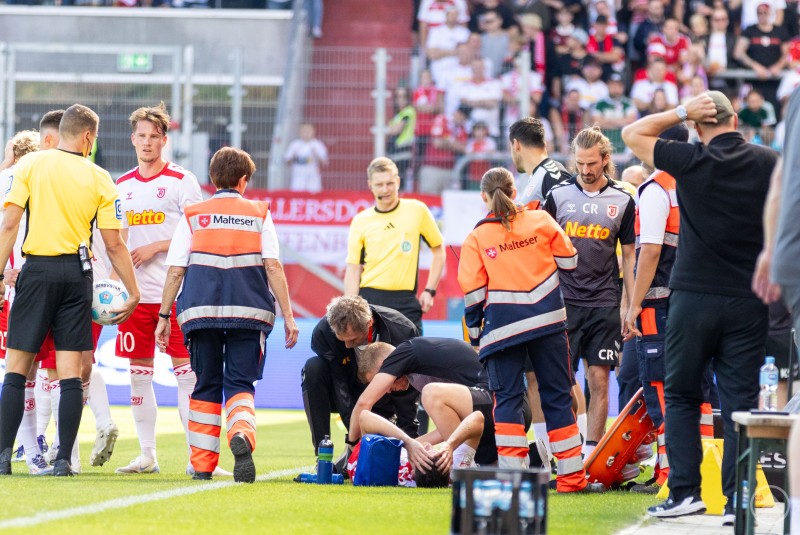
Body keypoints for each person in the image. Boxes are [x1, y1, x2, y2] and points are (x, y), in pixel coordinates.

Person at [622, 90, 777, 521]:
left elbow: (632, 134)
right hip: (749, 296)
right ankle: (738, 500)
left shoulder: (690, 159)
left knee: (682, 393)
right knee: (741, 401)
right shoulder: (768, 161)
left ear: (695, 126)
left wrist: (679, 111)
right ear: (735, 121)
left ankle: (685, 492)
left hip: (692, 297)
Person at [0, 103, 140, 476]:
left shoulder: (30, 165)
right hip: (78, 275)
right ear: (88, 137)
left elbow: (9, 225)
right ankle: (63, 460)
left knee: (17, 369)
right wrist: (133, 291)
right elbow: (114, 244)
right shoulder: (101, 178)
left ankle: (2, 458)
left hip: (36, 271)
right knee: (69, 374)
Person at [156, 147, 298, 482]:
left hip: (199, 314)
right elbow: (273, 266)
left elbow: (175, 270)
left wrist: (163, 316)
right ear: (244, 180)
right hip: (249, 315)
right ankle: (241, 434)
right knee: (240, 384)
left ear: (212, 177)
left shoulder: (193, 214)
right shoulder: (259, 213)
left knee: (205, 385)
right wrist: (289, 316)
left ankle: (203, 465)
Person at [458, 167, 600, 493]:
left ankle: (514, 480)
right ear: (514, 191)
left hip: (501, 331)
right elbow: (570, 262)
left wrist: (476, 337)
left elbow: (474, 296)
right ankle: (572, 479)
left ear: (484, 197)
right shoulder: (541, 220)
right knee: (558, 398)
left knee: (507, 401)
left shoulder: (477, 237)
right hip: (548, 324)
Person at [114, 103, 205, 476]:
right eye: (141, 136)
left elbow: (199, 232)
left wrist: (157, 246)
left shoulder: (182, 180)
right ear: (132, 139)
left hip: (177, 296)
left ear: (164, 140)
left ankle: (196, 458)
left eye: (154, 136)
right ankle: (147, 455)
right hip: (135, 299)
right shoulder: (122, 185)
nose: (147, 142)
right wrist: (113, 287)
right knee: (139, 376)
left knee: (187, 376)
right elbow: (116, 241)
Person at [543, 127, 636, 459]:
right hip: (563, 304)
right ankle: (565, 450)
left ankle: (591, 455)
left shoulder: (623, 200)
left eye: (592, 163)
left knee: (599, 381)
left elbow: (630, 256)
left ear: (606, 159)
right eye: (580, 163)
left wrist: (629, 305)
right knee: (559, 383)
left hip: (604, 304)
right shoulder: (557, 196)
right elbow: (542, 248)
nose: (585, 170)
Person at [349, 338, 531, 468]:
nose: (387, 391)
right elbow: (447, 430)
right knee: (483, 466)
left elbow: (364, 403)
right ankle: (532, 455)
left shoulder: (405, 351)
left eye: (379, 379)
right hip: (499, 411)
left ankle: (458, 466)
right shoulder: (417, 374)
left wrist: (352, 447)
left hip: (505, 403)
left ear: (385, 364)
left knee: (431, 393)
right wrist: (406, 448)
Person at [300, 295, 420, 463]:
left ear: (369, 323)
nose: (347, 346)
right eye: (342, 340)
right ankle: (322, 457)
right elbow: (340, 386)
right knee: (313, 367)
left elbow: (408, 388)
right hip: (345, 391)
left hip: (386, 398)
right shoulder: (324, 332)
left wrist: (410, 442)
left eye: (353, 339)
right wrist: (354, 439)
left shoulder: (402, 331)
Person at [0, 130, 52, 475]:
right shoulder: (36, 179)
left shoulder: (11, 178)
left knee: (21, 370)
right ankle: (34, 451)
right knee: (29, 371)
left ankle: (28, 449)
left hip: (19, 284)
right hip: (27, 284)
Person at [344, 157, 445, 334]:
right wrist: (351, 307)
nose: (385, 189)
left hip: (405, 301)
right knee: (369, 353)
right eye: (379, 184)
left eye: (390, 183)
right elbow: (353, 268)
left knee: (413, 352)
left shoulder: (417, 210)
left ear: (398, 181)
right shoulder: (360, 220)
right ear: (370, 185)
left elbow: (439, 251)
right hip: (370, 301)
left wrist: (430, 291)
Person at [283, 122, 328, 193]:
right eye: (303, 131)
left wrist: (316, 154)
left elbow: (324, 162)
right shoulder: (295, 144)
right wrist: (293, 156)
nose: (306, 133)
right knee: (297, 195)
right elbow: (287, 160)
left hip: (313, 176)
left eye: (308, 131)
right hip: (298, 176)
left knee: (313, 195)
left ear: (313, 131)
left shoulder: (317, 144)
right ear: (300, 132)